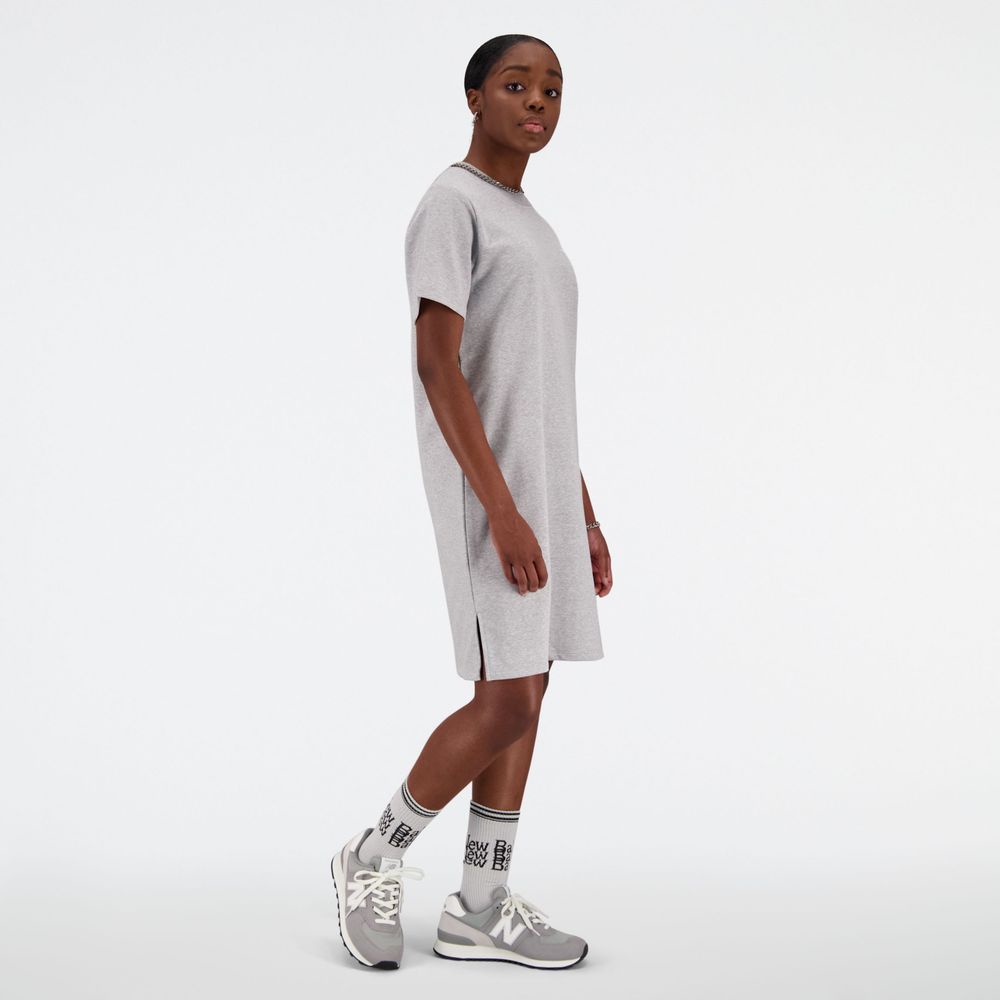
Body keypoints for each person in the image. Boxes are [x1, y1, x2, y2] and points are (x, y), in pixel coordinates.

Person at [330, 33, 613, 972]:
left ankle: (481, 905)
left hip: (539, 494)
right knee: (504, 700)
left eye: (553, 90)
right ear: (473, 97)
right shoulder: (451, 205)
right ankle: (372, 855)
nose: (537, 101)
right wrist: (501, 508)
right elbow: (435, 363)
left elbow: (542, 390)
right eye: (516, 84)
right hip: (488, 493)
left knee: (529, 692)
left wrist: (579, 511)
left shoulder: (533, 223)